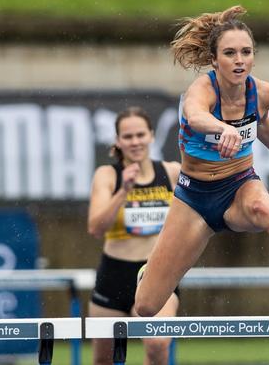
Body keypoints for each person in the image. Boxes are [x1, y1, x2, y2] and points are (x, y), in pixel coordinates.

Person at [134, 5, 269, 317]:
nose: (239, 60)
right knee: (146, 307)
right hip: (194, 199)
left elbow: (262, 122)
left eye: (246, 52)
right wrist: (222, 128)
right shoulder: (202, 89)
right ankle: (149, 273)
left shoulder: (264, 92)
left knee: (262, 208)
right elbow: (195, 115)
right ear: (215, 59)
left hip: (240, 185)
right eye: (230, 53)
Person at [87, 107, 181, 365]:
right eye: (128, 137)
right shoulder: (107, 176)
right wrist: (123, 192)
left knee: (157, 344)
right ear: (118, 141)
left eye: (140, 134)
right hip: (114, 274)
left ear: (151, 135)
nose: (135, 141)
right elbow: (96, 228)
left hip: (156, 272)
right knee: (103, 359)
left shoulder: (171, 173)